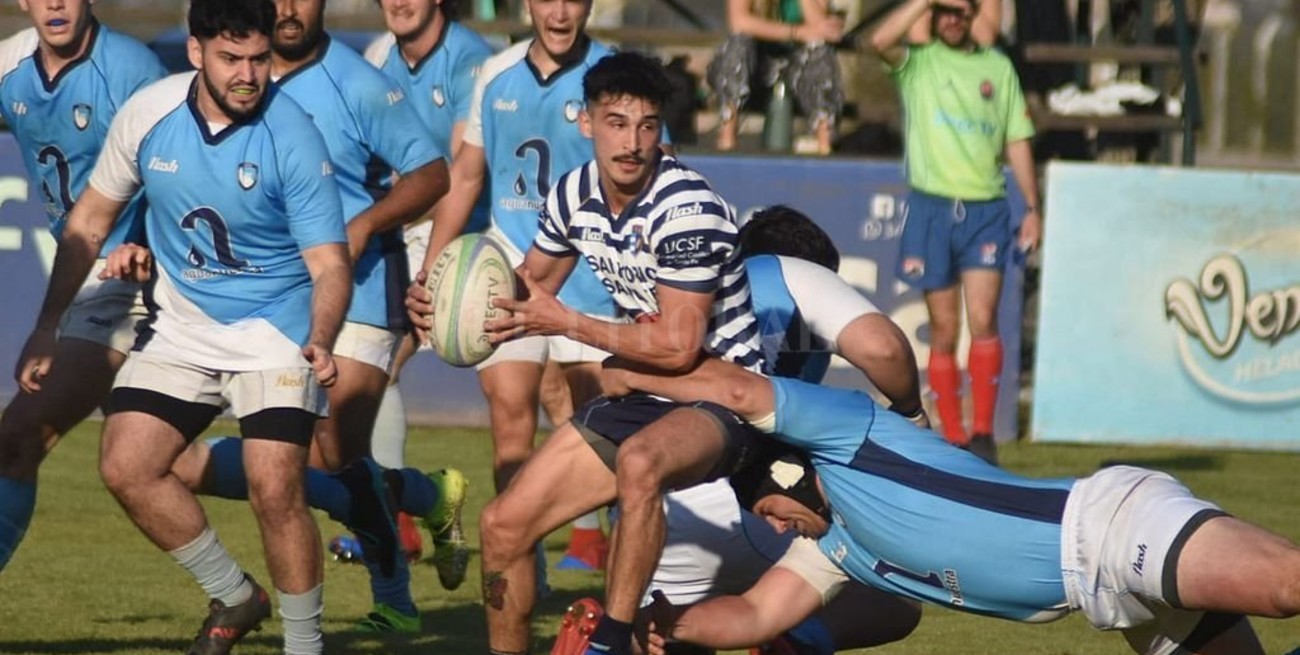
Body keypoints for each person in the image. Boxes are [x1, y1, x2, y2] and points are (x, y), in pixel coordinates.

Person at [15, 0, 351, 652]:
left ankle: (304, 645)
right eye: (231, 59)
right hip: (182, 325)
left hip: (276, 329)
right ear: (196, 52)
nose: (248, 75)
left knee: (274, 486)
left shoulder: (293, 134)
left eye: (259, 59)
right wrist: (46, 325)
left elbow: (330, 263)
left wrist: (321, 335)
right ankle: (235, 594)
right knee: (126, 465)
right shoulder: (150, 114)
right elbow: (89, 221)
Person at [603, 360, 1300, 655]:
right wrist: (658, 625)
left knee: (1286, 587)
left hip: (1113, 527)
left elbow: (737, 390)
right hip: (1111, 598)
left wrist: (630, 368)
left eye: (770, 508)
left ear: (787, 470)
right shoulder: (831, 551)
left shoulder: (850, 438)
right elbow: (754, 615)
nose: (776, 525)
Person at [450, 51, 767, 655]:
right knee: (501, 527)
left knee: (640, 462)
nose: (633, 142)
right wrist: (451, 304)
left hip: (724, 396)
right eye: (617, 123)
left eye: (647, 125)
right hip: (645, 393)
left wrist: (567, 321)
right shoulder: (573, 194)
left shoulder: (687, 207)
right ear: (586, 121)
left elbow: (677, 347)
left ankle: (611, 642)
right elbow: (528, 288)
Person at [633, 206, 927, 655]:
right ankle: (794, 640)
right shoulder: (798, 277)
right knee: (897, 594)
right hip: (754, 498)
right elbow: (882, 350)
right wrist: (911, 413)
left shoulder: (683, 289)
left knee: (667, 630)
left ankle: (606, 639)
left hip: (660, 510)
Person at [404, 0, 618, 572]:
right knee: (510, 420)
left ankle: (623, 585)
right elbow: (466, 176)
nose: (560, 12)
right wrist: (430, 270)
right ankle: (523, 573)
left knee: (606, 440)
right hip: (509, 277)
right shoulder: (496, 74)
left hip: (592, 283)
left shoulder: (613, 73)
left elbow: (656, 164)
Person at [0, 0, 167, 574]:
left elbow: (183, 168)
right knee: (163, 465)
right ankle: (385, 495)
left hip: (140, 274)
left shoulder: (132, 71)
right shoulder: (10, 67)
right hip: (86, 273)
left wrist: (145, 242)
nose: (55, 3)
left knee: (19, 438)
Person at [869, 0, 1042, 463]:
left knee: (983, 318)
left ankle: (983, 435)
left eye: (958, 10)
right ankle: (952, 434)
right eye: (942, 9)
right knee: (944, 328)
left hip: (986, 206)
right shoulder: (919, 62)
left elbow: (1017, 138)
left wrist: (1032, 205)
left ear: (972, 15)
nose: (950, 18)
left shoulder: (997, 67)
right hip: (933, 207)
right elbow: (878, 41)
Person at [362, 0, 497, 578]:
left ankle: (407, 515)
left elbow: (462, 176)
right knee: (368, 369)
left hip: (467, 238)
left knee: (532, 397)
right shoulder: (378, 57)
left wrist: (429, 255)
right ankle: (403, 516)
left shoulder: (471, 63)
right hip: (401, 229)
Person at [707, 0, 846, 154]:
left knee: (820, 51)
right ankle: (727, 140)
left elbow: (820, 28)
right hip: (756, 62)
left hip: (796, 63)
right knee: (738, 44)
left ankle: (824, 144)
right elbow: (739, 22)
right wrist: (796, 32)